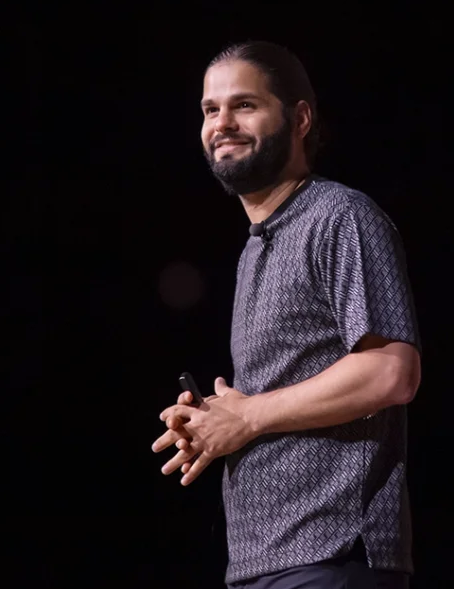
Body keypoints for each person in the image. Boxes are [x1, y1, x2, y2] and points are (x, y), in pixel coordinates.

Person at [151, 41, 422, 589]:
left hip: (332, 555)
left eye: (245, 105)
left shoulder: (339, 217)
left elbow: (391, 371)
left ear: (300, 118)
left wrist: (248, 417)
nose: (222, 123)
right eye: (210, 110)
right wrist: (216, 418)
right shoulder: (257, 246)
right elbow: (283, 391)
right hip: (266, 563)